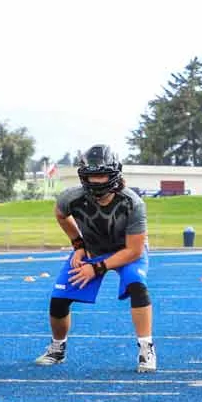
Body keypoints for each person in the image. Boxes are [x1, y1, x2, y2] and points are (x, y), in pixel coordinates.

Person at [34, 144, 156, 372]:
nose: (97, 181)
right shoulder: (71, 197)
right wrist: (78, 244)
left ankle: (146, 348)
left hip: (126, 250)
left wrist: (97, 268)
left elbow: (134, 251)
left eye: (102, 175)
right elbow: (60, 214)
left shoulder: (132, 203)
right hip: (92, 249)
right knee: (59, 298)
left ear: (114, 174)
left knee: (137, 286)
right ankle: (57, 348)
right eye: (92, 175)